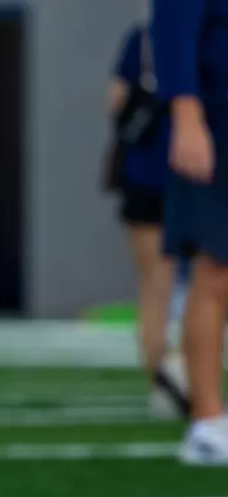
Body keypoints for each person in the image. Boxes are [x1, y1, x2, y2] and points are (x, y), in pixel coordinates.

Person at [150, 0, 228, 465]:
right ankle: (207, 420)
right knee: (216, 273)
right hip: (215, 123)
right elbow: (174, 33)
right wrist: (188, 118)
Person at [104, 21, 190, 419]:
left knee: (156, 286)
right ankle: (183, 373)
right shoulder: (202, 34)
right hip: (190, 174)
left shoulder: (142, 41)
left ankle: (162, 382)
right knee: (205, 279)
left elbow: (115, 102)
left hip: (144, 178)